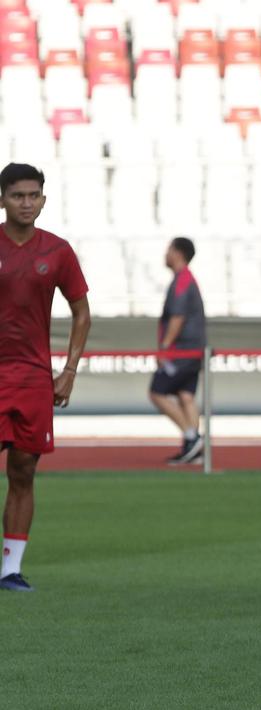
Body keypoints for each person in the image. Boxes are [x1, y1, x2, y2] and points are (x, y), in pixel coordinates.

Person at [0, 162, 91, 592]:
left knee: (23, 471)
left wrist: (69, 370)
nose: (26, 203)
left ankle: (10, 570)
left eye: (33, 195)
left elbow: (82, 312)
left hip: (34, 379)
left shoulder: (57, 251)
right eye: (18, 195)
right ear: (3, 199)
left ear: (43, 200)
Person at [149, 237, 207, 465]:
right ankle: (194, 451)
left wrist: (164, 349)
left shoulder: (182, 281)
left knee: (157, 393)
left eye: (169, 250)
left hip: (182, 352)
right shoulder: (185, 279)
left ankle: (192, 438)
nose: (165, 254)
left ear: (178, 253)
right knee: (186, 396)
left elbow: (177, 318)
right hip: (193, 350)